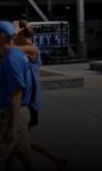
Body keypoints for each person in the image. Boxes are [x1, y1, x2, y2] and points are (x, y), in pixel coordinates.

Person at [12, 22, 66, 171]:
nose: (13, 32)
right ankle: (56, 160)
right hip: (25, 99)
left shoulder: (30, 49)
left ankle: (54, 160)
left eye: (15, 30)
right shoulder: (22, 47)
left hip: (29, 102)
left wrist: (13, 34)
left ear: (21, 33)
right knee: (21, 139)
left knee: (18, 140)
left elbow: (8, 48)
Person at [0, 20, 32, 171]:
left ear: (2, 37)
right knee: (21, 153)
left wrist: (10, 127)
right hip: (21, 112)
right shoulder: (16, 54)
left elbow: (16, 94)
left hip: (11, 114)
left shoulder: (10, 60)